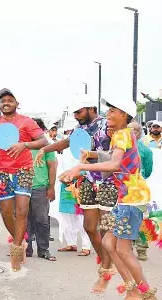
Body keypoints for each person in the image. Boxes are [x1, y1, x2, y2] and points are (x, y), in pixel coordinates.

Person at [60, 98, 157, 300]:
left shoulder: (122, 134)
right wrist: (91, 153)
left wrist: (80, 166)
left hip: (131, 198)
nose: (108, 115)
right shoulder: (122, 135)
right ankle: (132, 290)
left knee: (123, 249)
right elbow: (114, 157)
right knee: (108, 244)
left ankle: (145, 294)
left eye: (113, 111)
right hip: (127, 197)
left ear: (124, 115)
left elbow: (114, 165)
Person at [35, 95, 114, 293]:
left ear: (90, 108)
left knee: (105, 229)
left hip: (109, 181)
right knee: (89, 227)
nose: (76, 116)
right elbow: (66, 143)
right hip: (88, 179)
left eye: (79, 112)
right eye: (74, 113)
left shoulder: (107, 124)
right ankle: (105, 262)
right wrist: (44, 149)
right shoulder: (80, 129)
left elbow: (118, 153)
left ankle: (105, 269)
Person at [0, 88, 48, 272]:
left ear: (17, 103)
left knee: (22, 211)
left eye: (9, 100)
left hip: (24, 170)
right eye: (2, 101)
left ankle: (15, 252)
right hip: (3, 173)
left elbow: (43, 141)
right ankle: (21, 240)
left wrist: (25, 144)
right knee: (7, 213)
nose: (6, 103)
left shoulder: (26, 122)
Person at [55, 121, 92, 256]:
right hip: (65, 186)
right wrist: (63, 177)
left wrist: (73, 176)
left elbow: (87, 169)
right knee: (67, 215)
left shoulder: (86, 151)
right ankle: (71, 243)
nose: (70, 135)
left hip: (81, 186)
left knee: (82, 217)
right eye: (68, 133)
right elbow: (60, 168)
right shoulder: (64, 151)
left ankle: (86, 246)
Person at [26, 118, 57, 261]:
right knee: (23, 221)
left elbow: (52, 166)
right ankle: (25, 249)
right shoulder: (22, 145)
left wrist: (51, 187)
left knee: (42, 220)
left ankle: (43, 249)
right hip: (22, 187)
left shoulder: (47, 146)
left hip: (40, 187)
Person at [128, 121, 153, 261]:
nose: (131, 133)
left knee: (142, 219)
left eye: (134, 131)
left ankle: (142, 249)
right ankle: (127, 247)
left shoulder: (146, 150)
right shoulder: (120, 148)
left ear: (139, 133)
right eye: (129, 130)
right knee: (125, 218)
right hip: (123, 188)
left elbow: (148, 171)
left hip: (139, 189)